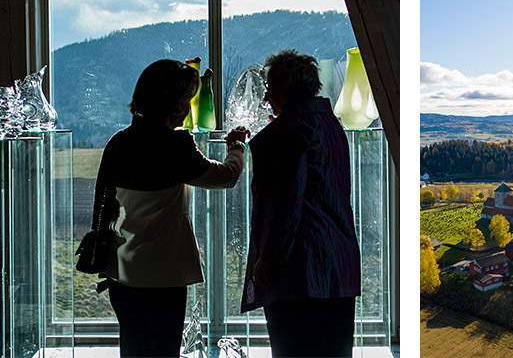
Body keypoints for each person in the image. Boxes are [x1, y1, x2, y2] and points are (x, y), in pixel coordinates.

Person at [98, 59, 248, 357]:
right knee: (164, 349)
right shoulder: (174, 146)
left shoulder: (118, 143)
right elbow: (225, 177)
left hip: (122, 270)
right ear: (174, 106)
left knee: (133, 348)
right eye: (185, 102)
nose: (186, 109)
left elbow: (105, 205)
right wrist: (237, 149)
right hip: (163, 272)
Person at [241, 49, 360, 357]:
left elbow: (286, 203)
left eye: (271, 85)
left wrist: (268, 259)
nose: (266, 94)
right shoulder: (329, 124)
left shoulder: (290, 131)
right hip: (339, 265)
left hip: (300, 270)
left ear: (287, 84)